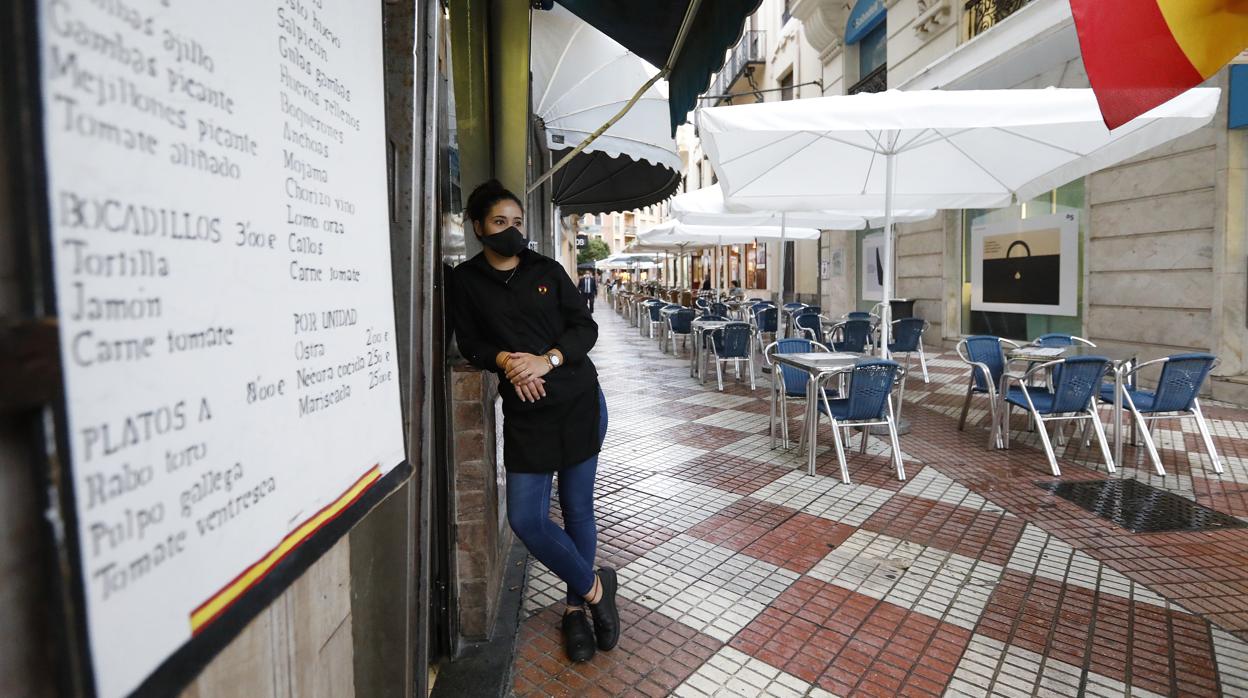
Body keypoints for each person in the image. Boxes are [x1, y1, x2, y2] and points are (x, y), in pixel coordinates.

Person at [449, 180, 618, 663]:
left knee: (577, 509)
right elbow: (471, 343)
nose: (511, 231)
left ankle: (573, 610)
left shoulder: (547, 270)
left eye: (517, 222)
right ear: (478, 227)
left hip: (577, 400)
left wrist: (548, 359)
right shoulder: (465, 280)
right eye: (500, 223)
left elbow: (585, 327)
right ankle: (595, 591)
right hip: (526, 413)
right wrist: (507, 360)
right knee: (526, 518)